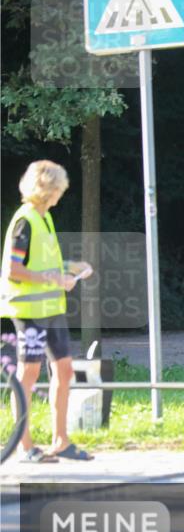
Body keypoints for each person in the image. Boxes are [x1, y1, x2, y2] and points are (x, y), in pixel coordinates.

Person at [1, 160, 94, 463]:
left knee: (64, 370)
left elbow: (43, 265)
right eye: (59, 189)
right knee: (30, 373)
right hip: (29, 311)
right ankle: (25, 446)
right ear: (48, 189)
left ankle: (60, 441)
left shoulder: (45, 218)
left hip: (51, 309)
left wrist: (70, 268)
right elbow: (14, 269)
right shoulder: (24, 220)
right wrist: (54, 278)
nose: (61, 194)